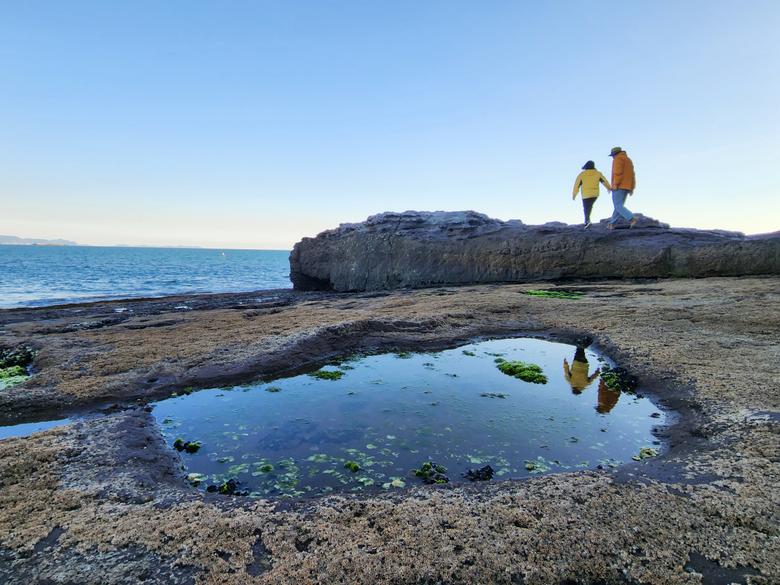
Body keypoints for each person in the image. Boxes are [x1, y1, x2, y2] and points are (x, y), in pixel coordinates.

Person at [571, 160, 611, 228]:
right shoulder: (598, 173)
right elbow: (604, 181)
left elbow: (576, 185)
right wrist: (609, 188)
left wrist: (574, 194)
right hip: (595, 194)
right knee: (589, 206)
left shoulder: (581, 175)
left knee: (586, 208)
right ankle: (588, 220)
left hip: (586, 194)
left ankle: (587, 221)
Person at [607, 146, 638, 229]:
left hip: (619, 186)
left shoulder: (617, 159)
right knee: (619, 206)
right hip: (627, 186)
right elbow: (632, 175)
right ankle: (612, 224)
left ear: (614, 154)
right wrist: (632, 187)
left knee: (618, 206)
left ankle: (632, 219)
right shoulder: (628, 160)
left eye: (612, 155)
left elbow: (618, 173)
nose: (612, 157)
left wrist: (615, 185)